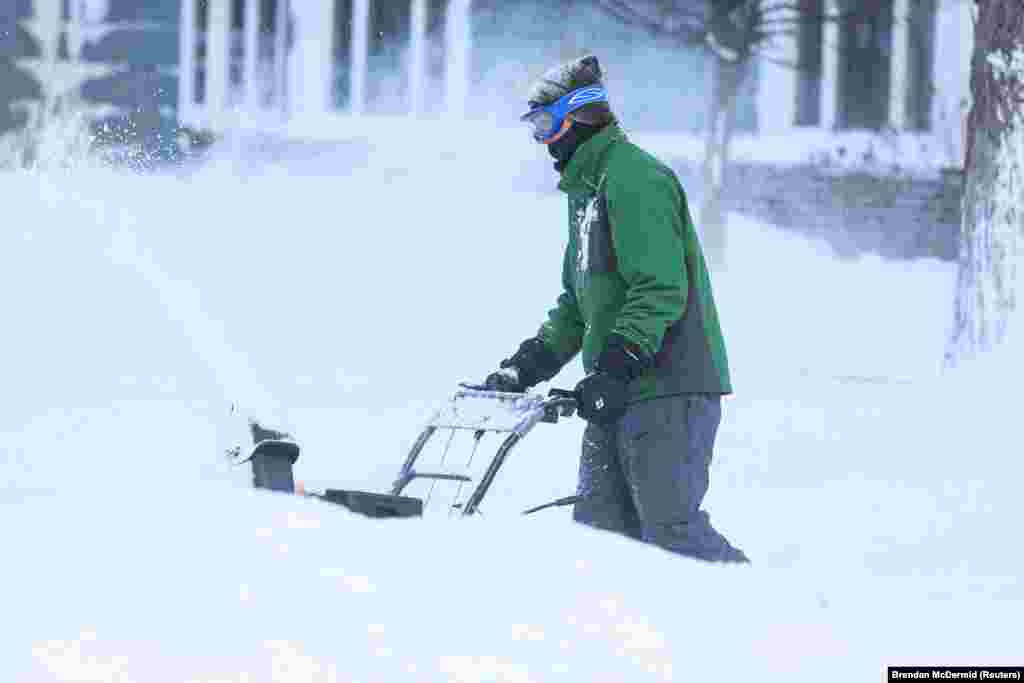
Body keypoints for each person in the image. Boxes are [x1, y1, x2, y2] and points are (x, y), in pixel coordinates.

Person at [482, 55, 748, 563]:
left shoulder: (633, 178)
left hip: (668, 387)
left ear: (576, 118)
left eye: (544, 126)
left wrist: (615, 364)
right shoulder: (587, 190)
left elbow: (659, 288)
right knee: (601, 538)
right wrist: (527, 365)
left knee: (671, 533)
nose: (541, 141)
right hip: (619, 387)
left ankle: (765, 610)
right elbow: (578, 303)